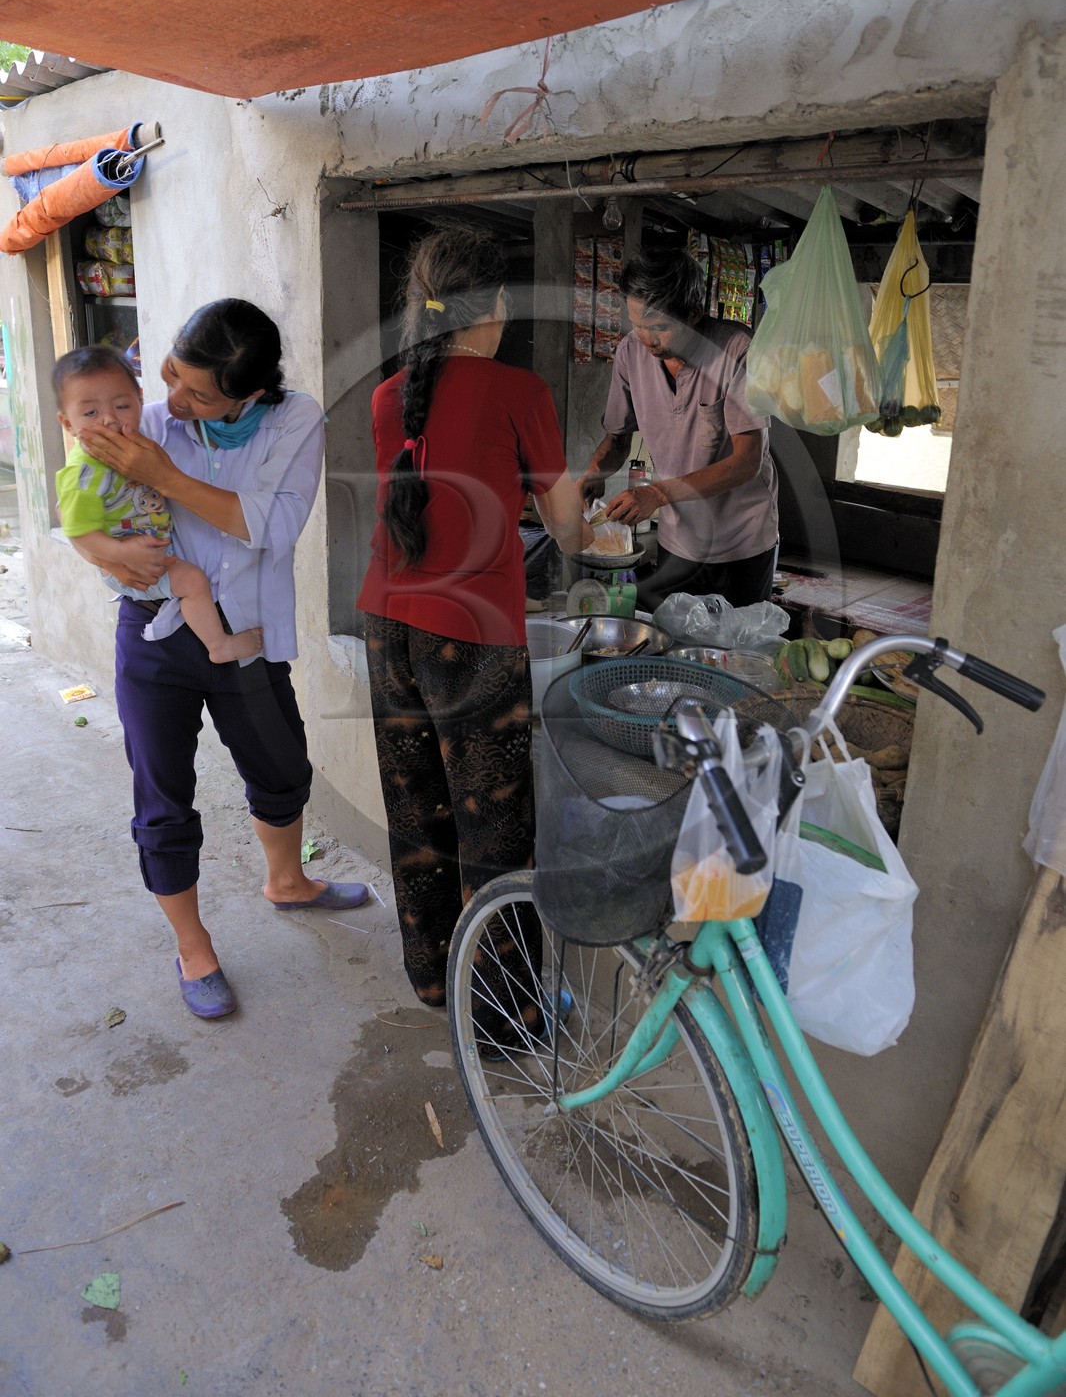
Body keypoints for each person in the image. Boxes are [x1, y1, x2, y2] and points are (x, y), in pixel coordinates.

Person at [70, 299, 367, 1021]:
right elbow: (82, 502)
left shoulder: (295, 421)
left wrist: (165, 475)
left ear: (250, 395)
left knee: (281, 769)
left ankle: (287, 882)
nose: (175, 399)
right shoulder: (143, 416)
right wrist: (110, 553)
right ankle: (193, 946)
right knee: (163, 794)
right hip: (154, 631)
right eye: (173, 374)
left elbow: (273, 525)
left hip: (248, 633)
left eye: (200, 395)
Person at [358, 221, 593, 1017]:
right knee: (493, 829)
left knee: (417, 810)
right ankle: (505, 1015)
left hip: (387, 625)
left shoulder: (390, 397)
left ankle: (433, 980)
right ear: (496, 303)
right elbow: (567, 529)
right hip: (470, 639)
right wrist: (578, 519)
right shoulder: (519, 393)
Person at [577, 248, 778, 611]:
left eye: (659, 327)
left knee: (737, 642)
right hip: (678, 539)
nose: (646, 339)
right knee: (673, 639)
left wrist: (656, 494)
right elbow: (617, 439)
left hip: (740, 542)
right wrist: (595, 472)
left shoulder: (738, 351)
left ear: (694, 313)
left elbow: (747, 462)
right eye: (637, 324)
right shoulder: (630, 353)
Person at [53, 344, 264, 665]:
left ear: (139, 401)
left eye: (122, 405)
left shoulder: (140, 443)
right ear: (68, 424)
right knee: (192, 582)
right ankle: (220, 646)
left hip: (150, 547)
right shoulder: (84, 473)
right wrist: (121, 556)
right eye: (91, 413)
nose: (109, 419)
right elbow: (78, 530)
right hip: (131, 564)